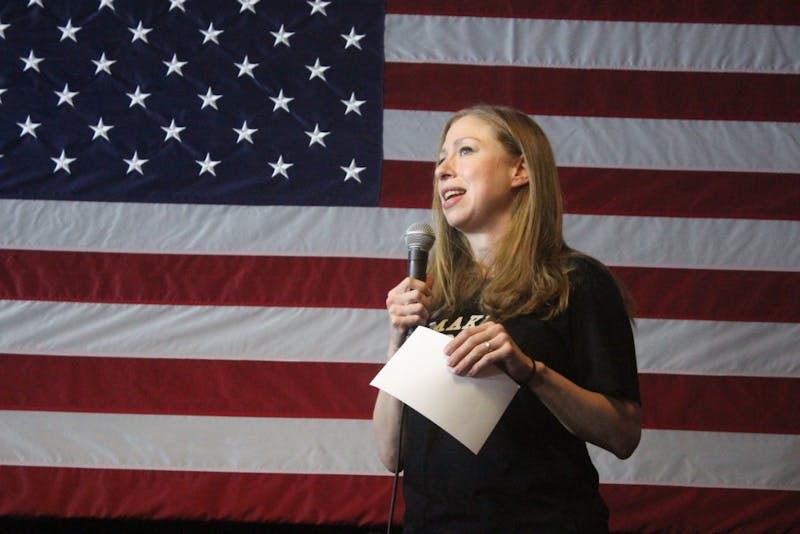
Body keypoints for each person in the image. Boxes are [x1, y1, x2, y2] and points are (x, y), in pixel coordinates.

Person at [372, 105, 641, 532]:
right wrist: (396, 341)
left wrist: (529, 371)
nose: (443, 169)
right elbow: (392, 455)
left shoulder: (576, 282)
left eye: (465, 151)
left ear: (520, 170)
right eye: (441, 157)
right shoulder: (435, 293)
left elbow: (623, 434)